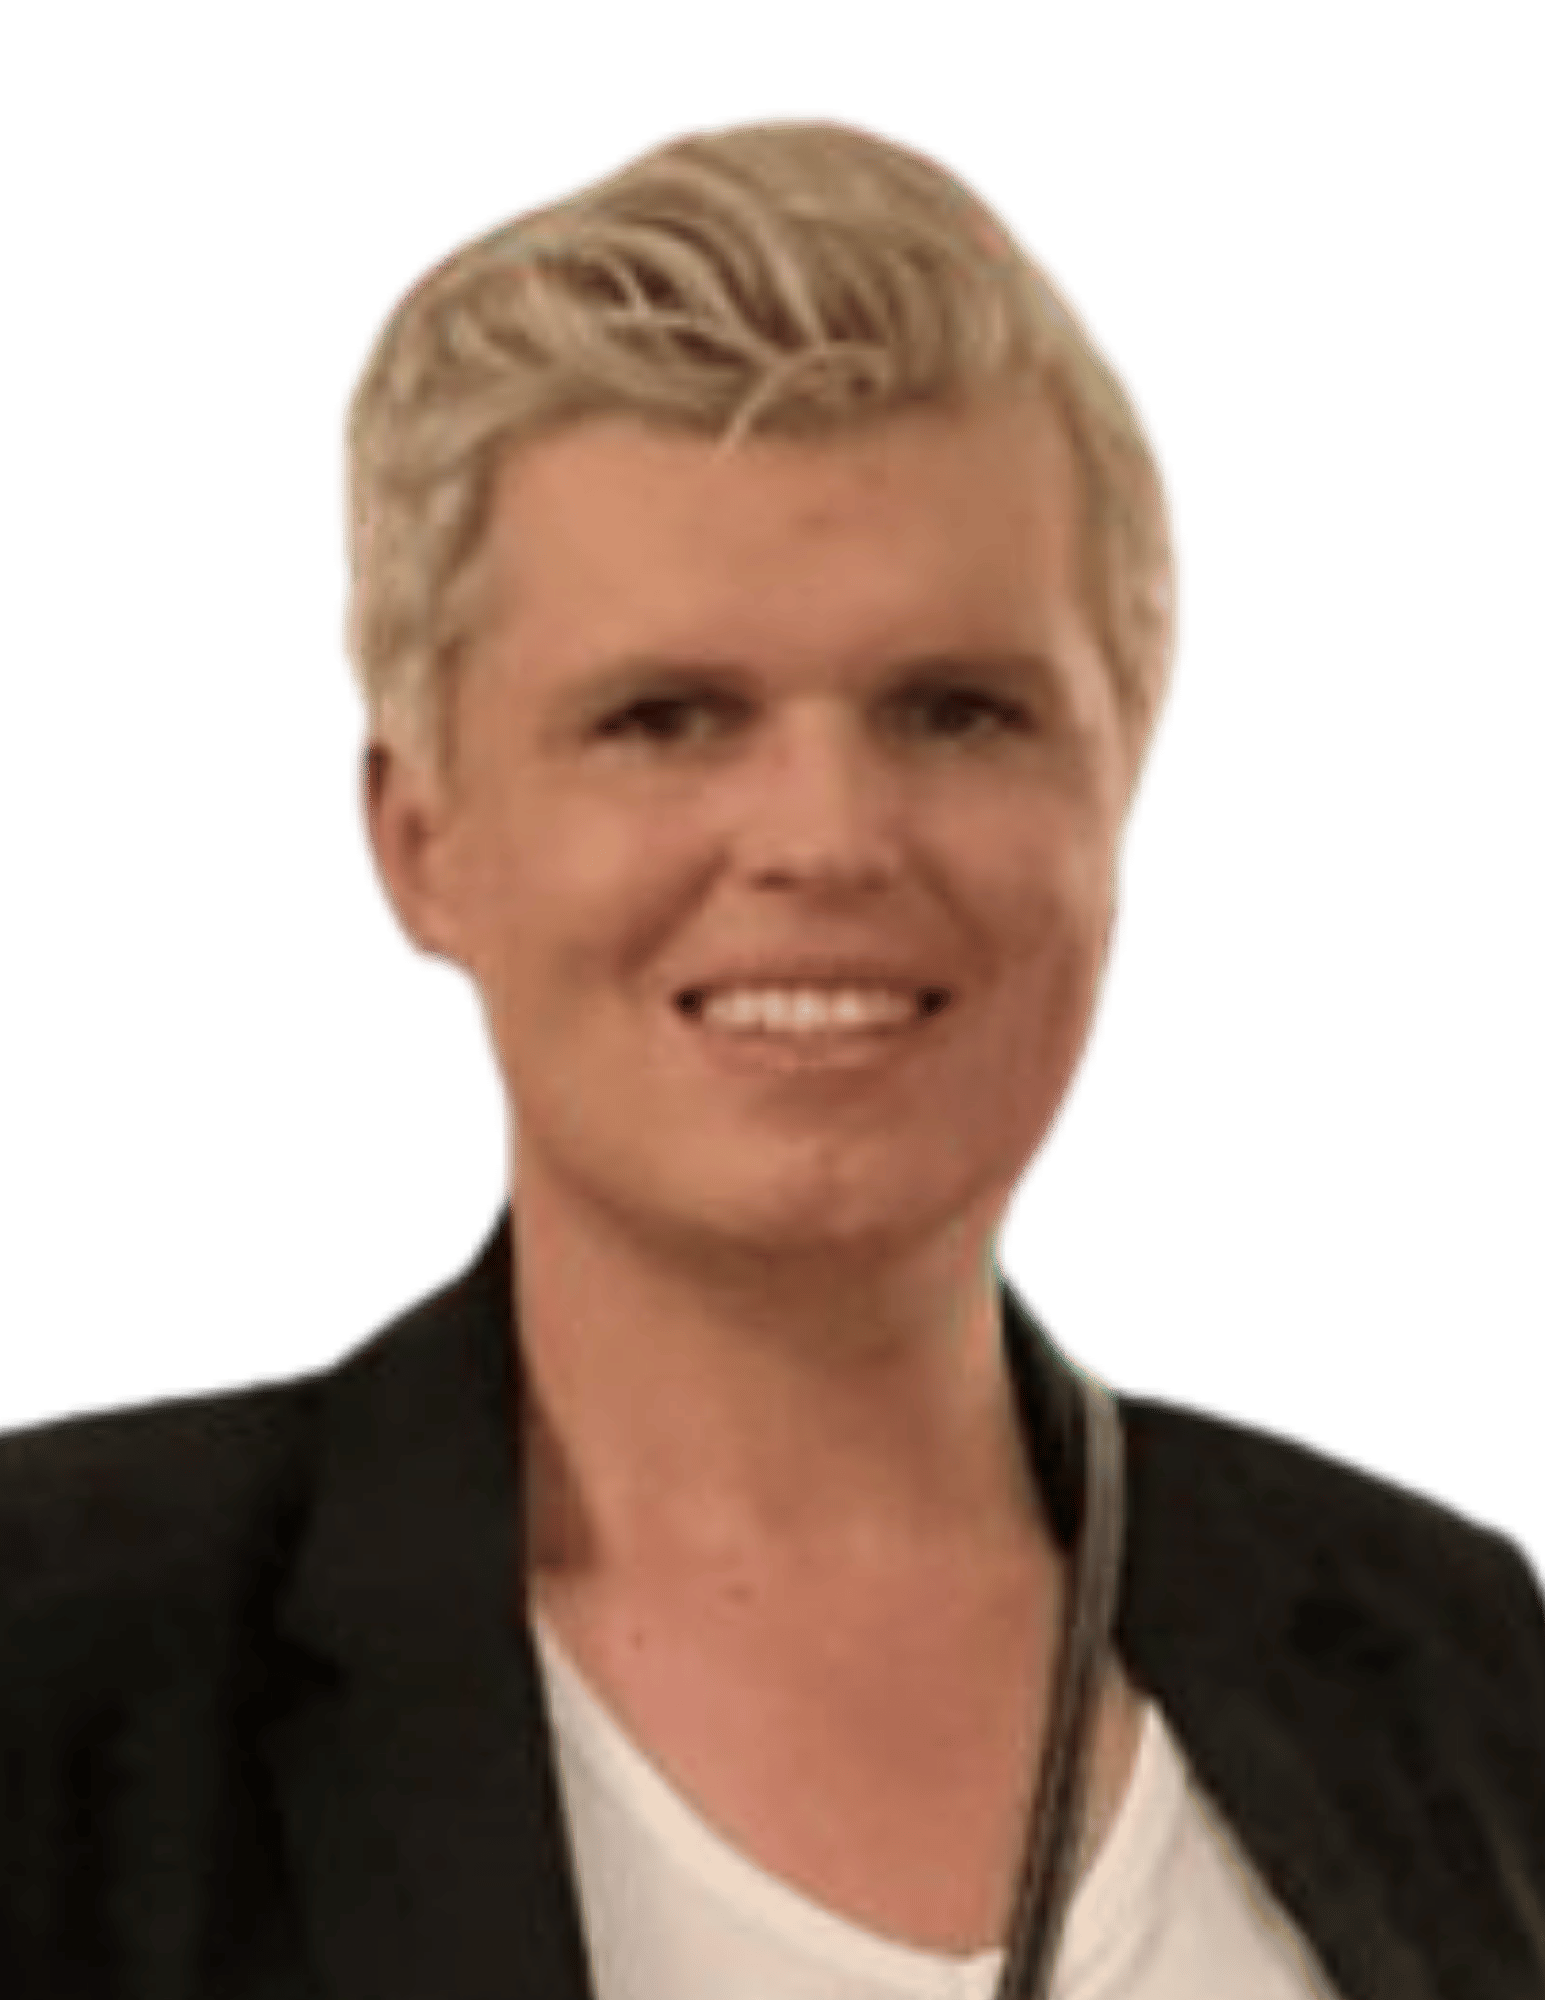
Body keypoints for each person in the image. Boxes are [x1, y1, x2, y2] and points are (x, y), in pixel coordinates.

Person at [1, 110, 1540, 2000]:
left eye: (958, 711)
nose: (827, 838)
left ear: (1116, 815)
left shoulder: (1467, 1663)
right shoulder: (66, 1679)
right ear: (418, 842)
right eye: (667, 718)